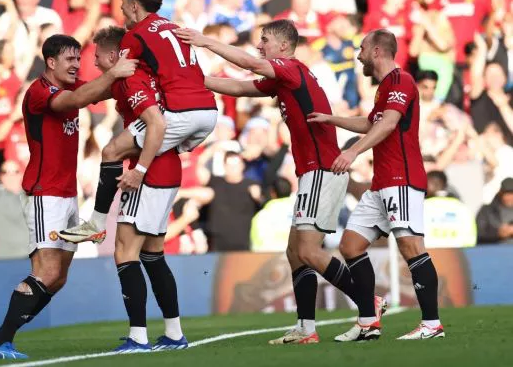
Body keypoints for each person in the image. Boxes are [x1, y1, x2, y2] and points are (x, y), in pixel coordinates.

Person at [175, 19, 386, 344]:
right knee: (294, 252)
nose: (259, 46)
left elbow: (250, 64)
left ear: (283, 47)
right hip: (311, 173)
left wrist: (204, 41)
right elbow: (242, 87)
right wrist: (199, 79)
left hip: (322, 170)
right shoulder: (286, 79)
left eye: (265, 40)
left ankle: (366, 300)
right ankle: (306, 328)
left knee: (309, 251)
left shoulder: (291, 69)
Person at [0, 34, 137, 360]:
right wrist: (114, 74)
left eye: (79, 59)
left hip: (66, 193)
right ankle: (0, 340)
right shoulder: (39, 92)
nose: (76, 65)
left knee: (59, 279)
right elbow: (77, 99)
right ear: (51, 62)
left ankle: (2, 337)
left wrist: (134, 77)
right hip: (44, 194)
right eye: (70, 59)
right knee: (46, 272)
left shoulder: (72, 86)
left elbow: (101, 90)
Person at [307, 29, 445, 340]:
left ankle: (432, 325)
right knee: (350, 245)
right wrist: (332, 119)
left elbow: (389, 123)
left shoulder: (401, 81)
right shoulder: (384, 87)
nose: (358, 55)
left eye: (362, 49)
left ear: (377, 52)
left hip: (402, 178)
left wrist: (353, 150)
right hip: (381, 181)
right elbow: (372, 122)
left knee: (411, 246)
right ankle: (369, 320)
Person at [58, 0, 218, 244]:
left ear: (133, 5)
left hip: (178, 116)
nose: (120, 10)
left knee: (111, 152)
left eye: (122, 4)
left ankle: (96, 223)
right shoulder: (174, 28)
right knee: (151, 254)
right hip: (206, 112)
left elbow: (120, 73)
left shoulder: (135, 39)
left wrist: (139, 170)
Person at [88, 26, 188, 353]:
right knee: (153, 254)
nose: (94, 60)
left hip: (150, 173)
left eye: (98, 55)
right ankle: (174, 334)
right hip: (168, 170)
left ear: (116, 56)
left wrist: (140, 169)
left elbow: (155, 124)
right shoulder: (125, 81)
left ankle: (138, 337)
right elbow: (90, 92)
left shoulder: (132, 81)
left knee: (124, 252)